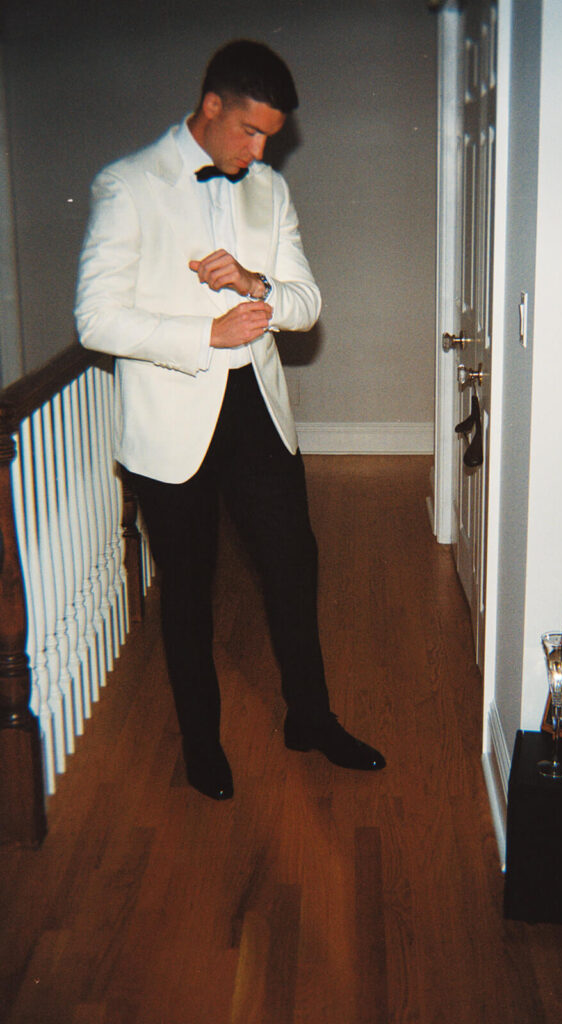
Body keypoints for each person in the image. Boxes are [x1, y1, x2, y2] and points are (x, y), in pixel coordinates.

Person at [75, 39, 385, 801]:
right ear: (210, 106)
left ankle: (309, 719)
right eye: (249, 131)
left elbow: (306, 307)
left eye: (269, 138)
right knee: (188, 588)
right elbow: (95, 319)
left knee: (292, 568)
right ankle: (202, 747)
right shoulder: (127, 184)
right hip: (169, 419)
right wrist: (201, 335)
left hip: (257, 410)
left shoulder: (268, 190)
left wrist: (257, 283)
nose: (257, 149)